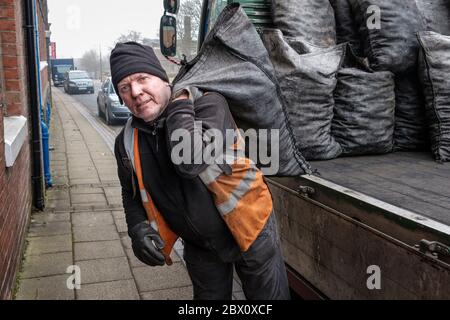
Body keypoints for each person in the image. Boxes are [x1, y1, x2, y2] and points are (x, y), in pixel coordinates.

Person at [111, 41, 290, 300]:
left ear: (163, 79)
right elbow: (130, 193)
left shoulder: (207, 105)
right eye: (124, 88)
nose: (136, 92)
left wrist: (180, 103)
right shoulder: (126, 141)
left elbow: (190, 162)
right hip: (201, 246)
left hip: (251, 228)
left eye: (142, 78)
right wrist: (137, 228)